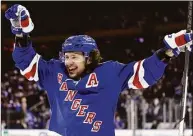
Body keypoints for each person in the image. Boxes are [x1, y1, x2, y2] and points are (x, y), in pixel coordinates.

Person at [5, 4, 192, 136]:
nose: (68, 61)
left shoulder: (110, 73)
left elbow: (144, 74)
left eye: (74, 57)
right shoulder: (55, 71)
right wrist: (21, 32)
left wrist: (168, 50)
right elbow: (26, 62)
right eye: (66, 56)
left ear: (89, 57)